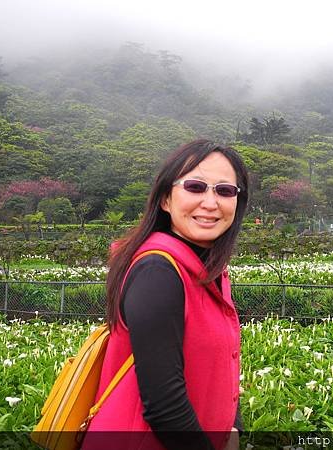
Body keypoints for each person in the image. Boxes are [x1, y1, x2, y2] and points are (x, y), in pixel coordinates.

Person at [81, 139, 249, 450]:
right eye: (195, 187)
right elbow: (164, 404)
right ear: (166, 200)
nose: (211, 203)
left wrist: (232, 427)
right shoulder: (158, 271)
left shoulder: (207, 271)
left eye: (225, 191)